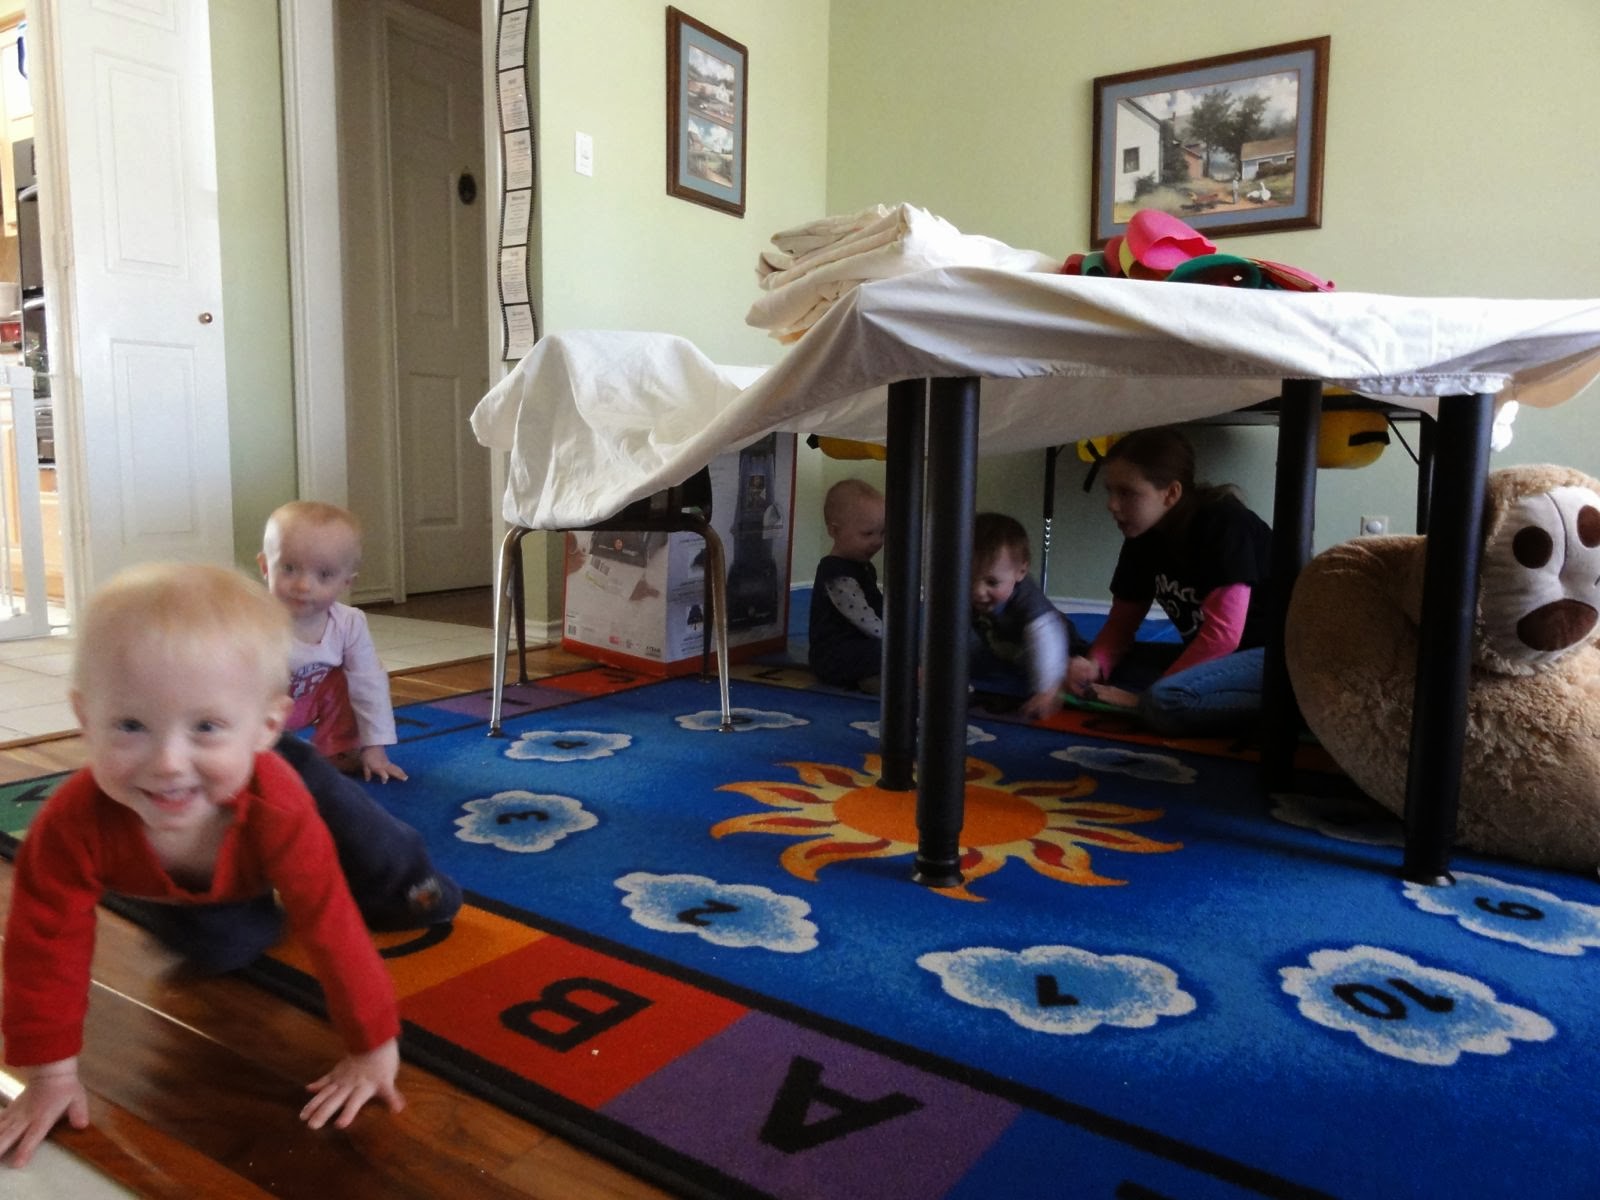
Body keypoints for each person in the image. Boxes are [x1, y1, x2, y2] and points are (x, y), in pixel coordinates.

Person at [0, 563, 438, 1169]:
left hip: (280, 789)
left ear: (267, 725)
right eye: (130, 725)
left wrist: (374, 1048)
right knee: (222, 949)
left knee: (384, 865)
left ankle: (409, 873)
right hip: (218, 858)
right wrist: (49, 1075)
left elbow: (329, 921)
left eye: (203, 725)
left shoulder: (279, 806)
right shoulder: (70, 825)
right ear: (84, 718)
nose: (167, 763)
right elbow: (42, 946)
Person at [1064, 426, 1273, 737]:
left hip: (1275, 658)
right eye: (1110, 491)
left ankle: (1292, 709)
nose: (1112, 504)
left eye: (1127, 493)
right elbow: (1120, 626)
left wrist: (1143, 699)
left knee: (1163, 700)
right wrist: (1093, 666)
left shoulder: (1226, 524)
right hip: (1222, 659)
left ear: (1172, 493)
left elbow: (1223, 636)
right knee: (1098, 660)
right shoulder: (1142, 535)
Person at [259, 501, 406, 782]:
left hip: (306, 702)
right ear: (266, 566)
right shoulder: (251, 620)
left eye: (324, 575)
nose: (304, 585)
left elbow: (370, 686)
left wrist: (375, 749)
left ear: (346, 582)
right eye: (288, 568)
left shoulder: (349, 623)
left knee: (352, 679)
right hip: (257, 708)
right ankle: (253, 757)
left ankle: (338, 749)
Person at [970, 512, 1084, 721]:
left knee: (1060, 663)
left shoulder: (1028, 601)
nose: (978, 591)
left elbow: (1045, 638)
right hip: (1004, 645)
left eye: (991, 582)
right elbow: (947, 629)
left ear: (1021, 571)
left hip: (1055, 643)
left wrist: (1047, 690)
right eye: (969, 578)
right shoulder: (968, 595)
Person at [808, 479, 886, 692]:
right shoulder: (835, 573)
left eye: (882, 533)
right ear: (835, 531)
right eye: (867, 534)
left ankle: (878, 675)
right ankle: (884, 678)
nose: (877, 541)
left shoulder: (863, 567)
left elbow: (876, 604)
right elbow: (862, 617)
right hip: (834, 656)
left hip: (859, 645)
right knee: (888, 651)